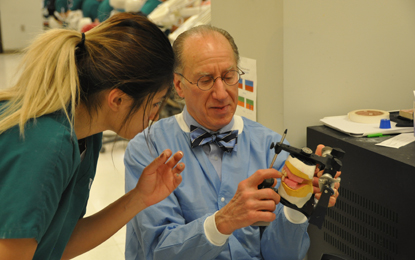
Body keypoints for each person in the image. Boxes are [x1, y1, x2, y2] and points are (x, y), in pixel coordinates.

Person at [124, 25, 341, 260]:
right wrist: (222, 222)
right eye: (205, 80)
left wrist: (296, 208)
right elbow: (158, 252)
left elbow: (281, 256)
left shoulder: (270, 146)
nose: (221, 93)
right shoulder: (148, 149)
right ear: (179, 86)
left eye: (229, 77)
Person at [0, 12, 185, 260]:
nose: (156, 117)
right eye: (155, 104)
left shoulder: (87, 133)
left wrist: (140, 197)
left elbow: (58, 242)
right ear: (117, 99)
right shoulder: (47, 145)